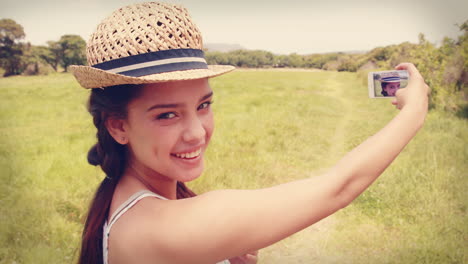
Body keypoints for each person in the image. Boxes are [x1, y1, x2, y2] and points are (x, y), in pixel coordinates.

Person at [70, 2, 429, 264]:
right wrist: (414, 110)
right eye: (166, 115)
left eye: (204, 105)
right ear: (118, 126)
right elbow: (340, 187)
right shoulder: (157, 229)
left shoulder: (129, 201)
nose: (196, 133)